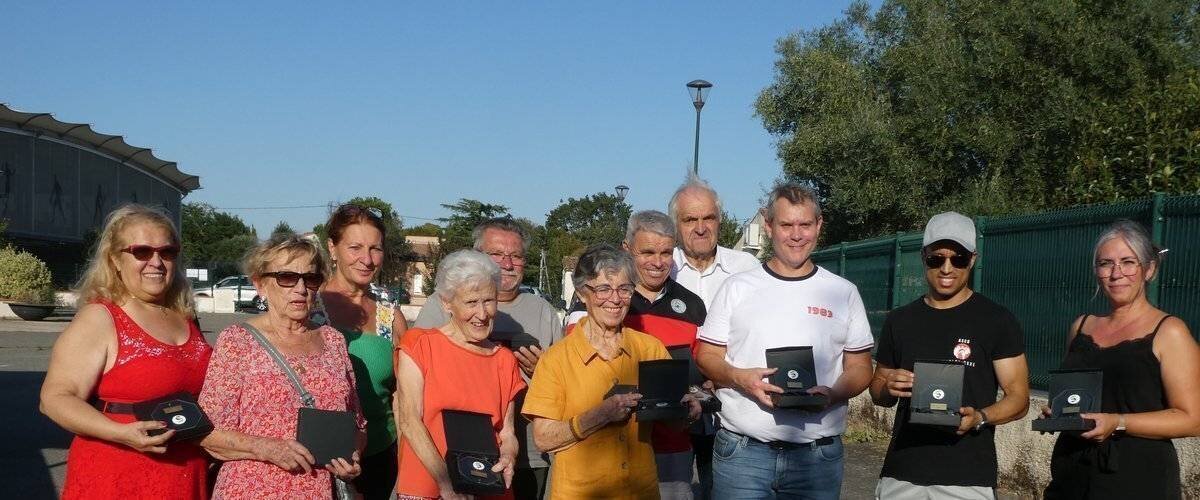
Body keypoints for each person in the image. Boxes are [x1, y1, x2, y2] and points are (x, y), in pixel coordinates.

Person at [695, 181, 875, 500]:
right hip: (743, 456)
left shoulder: (842, 292)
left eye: (805, 224)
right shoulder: (737, 287)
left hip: (816, 459)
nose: (796, 234)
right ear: (768, 226)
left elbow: (860, 367)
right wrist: (740, 379)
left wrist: (833, 394)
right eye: (786, 224)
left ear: (818, 226)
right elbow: (707, 354)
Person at [41, 204, 213, 499]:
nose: (156, 262)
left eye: (167, 252)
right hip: (118, 472)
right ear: (115, 260)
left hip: (185, 474)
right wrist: (121, 433)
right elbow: (54, 399)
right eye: (142, 252)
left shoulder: (185, 314)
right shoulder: (100, 317)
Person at [869, 211, 1030, 499]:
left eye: (958, 258)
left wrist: (980, 416)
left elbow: (1019, 399)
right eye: (936, 258)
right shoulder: (900, 320)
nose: (946, 268)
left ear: (973, 259)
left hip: (967, 478)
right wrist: (888, 385)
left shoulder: (996, 320)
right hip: (903, 473)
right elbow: (878, 393)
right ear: (923, 257)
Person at [523, 244, 701, 499]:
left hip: (641, 491)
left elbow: (672, 424)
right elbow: (544, 439)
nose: (615, 299)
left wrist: (686, 411)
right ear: (583, 293)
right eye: (604, 288)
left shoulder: (649, 348)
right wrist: (600, 415)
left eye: (625, 289)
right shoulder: (555, 360)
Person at [1042, 220, 1200, 499]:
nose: (1116, 273)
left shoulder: (1170, 331)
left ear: (1148, 269)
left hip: (1137, 480)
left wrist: (1118, 421)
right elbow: (1077, 397)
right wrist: (1058, 414)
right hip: (1072, 475)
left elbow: (1192, 420)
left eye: (1128, 262)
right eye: (1106, 263)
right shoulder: (1081, 327)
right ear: (1096, 271)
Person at [199, 233, 363, 499]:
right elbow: (208, 434)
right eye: (286, 278)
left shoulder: (333, 341)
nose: (300, 289)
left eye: (310, 279)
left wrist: (353, 457)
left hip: (320, 491)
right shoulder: (237, 341)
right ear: (260, 284)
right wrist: (268, 448)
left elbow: (357, 424)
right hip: (252, 490)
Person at [414, 217, 562, 499]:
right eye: (497, 254)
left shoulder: (543, 310)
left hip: (527, 454)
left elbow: (566, 385)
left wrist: (544, 372)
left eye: (516, 256)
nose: (506, 264)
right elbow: (416, 377)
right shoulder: (441, 303)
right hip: (451, 450)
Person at [395, 249, 525, 499]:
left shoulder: (504, 360)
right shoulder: (419, 345)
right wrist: (445, 481)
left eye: (489, 300)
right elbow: (410, 421)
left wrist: (509, 454)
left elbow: (507, 433)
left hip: (486, 485)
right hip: (429, 485)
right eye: (471, 302)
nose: (482, 313)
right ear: (447, 302)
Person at [667, 173, 758, 498]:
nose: (700, 227)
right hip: (673, 409)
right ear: (676, 224)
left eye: (709, 218)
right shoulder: (663, 268)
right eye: (690, 219)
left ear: (720, 221)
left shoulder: (747, 268)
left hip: (730, 408)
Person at [309, 204, 408, 499]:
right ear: (333, 248)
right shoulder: (307, 306)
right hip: (316, 459)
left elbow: (402, 395)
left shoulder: (390, 316)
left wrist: (406, 458)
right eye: (355, 247)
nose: (367, 259)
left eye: (375, 249)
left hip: (379, 457)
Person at [622, 210, 708, 499]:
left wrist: (699, 397)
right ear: (627, 249)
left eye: (666, 252)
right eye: (647, 252)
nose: (658, 262)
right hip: (613, 444)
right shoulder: (606, 299)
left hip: (672, 446)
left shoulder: (693, 305)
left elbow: (703, 375)